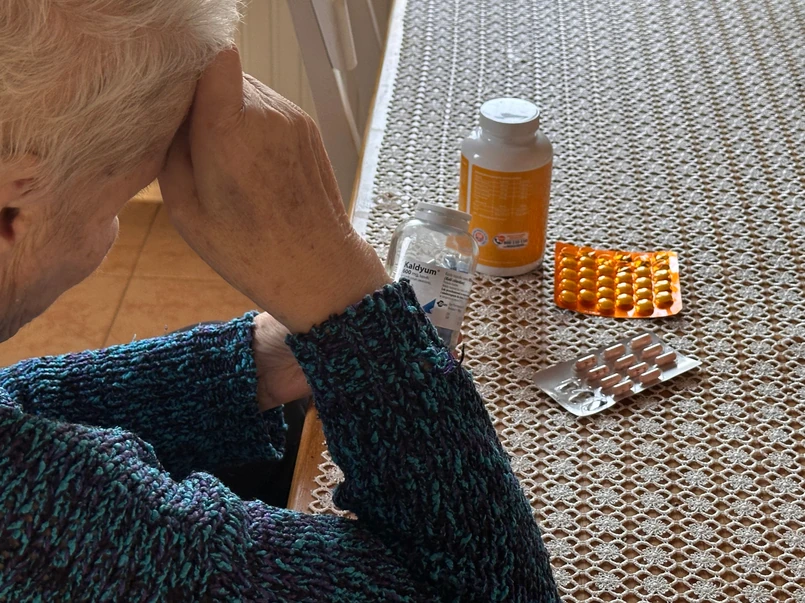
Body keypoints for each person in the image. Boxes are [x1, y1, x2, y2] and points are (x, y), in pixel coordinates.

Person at [0, 1, 559, 601]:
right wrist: (351, 308)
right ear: (12, 210)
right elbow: (500, 589)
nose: (113, 229)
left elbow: (16, 406)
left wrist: (250, 362)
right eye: (119, 200)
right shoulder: (44, 532)